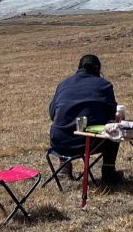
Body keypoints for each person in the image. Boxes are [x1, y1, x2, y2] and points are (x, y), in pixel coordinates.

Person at [48, 54, 124, 185]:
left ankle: (64, 167)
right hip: (89, 142)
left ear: (79, 68)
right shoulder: (104, 85)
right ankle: (108, 172)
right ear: (98, 69)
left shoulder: (63, 84)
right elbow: (112, 115)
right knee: (114, 129)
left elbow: (52, 113)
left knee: (63, 124)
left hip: (59, 141)